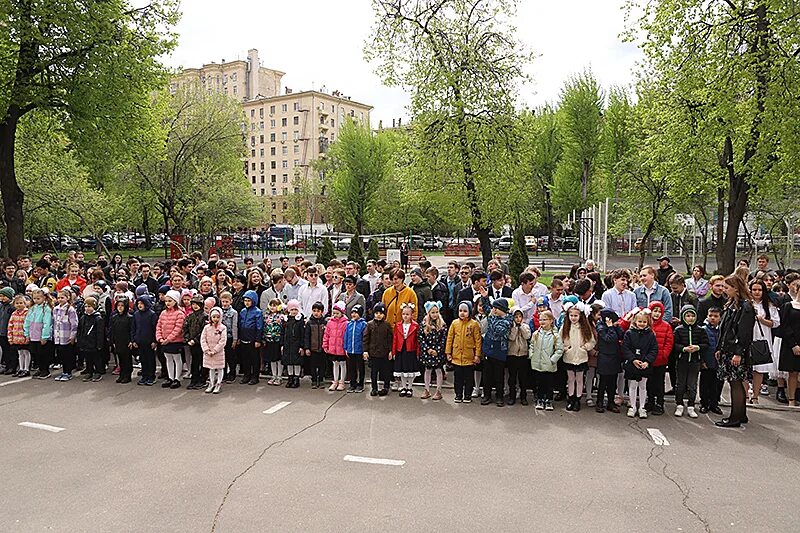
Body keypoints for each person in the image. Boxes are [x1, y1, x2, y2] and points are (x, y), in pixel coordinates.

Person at [715, 275, 755, 427]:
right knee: (734, 382)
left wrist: (738, 352)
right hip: (728, 349)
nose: (724, 290)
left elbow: (744, 333)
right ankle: (741, 414)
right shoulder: (733, 304)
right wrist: (720, 347)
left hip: (736, 351)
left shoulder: (745, 307)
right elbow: (725, 329)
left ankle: (735, 417)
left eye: (727, 287)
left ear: (736, 289)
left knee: (736, 383)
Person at [672, 305, 709, 418]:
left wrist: (697, 347)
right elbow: (674, 345)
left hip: (695, 361)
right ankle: (679, 404)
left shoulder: (700, 330)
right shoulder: (678, 330)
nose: (690, 318)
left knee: (692, 385)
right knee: (680, 384)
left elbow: (706, 344)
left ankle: (691, 406)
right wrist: (683, 349)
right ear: (683, 317)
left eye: (693, 315)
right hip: (682, 361)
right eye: (688, 316)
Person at [560, 302, 596, 411]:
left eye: (576, 315)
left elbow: (591, 341)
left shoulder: (585, 328)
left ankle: (577, 399)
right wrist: (565, 348)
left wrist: (585, 347)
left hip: (581, 357)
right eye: (571, 315)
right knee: (570, 379)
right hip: (569, 356)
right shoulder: (565, 327)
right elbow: (559, 340)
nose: (573, 318)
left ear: (580, 316)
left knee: (579, 379)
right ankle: (570, 398)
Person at [622, 309, 658, 418]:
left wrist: (647, 361)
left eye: (644, 322)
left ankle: (642, 407)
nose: (642, 324)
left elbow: (654, 349)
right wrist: (633, 359)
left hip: (645, 365)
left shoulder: (651, 335)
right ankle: (632, 406)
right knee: (632, 385)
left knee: (643, 386)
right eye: (640, 322)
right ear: (635, 322)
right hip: (632, 364)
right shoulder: (629, 333)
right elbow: (626, 348)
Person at [748, 278, 779, 405]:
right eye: (754, 289)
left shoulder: (769, 305)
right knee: (745, 368)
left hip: (762, 337)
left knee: (759, 369)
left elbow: (775, 323)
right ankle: (745, 395)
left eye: (759, 290)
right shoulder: (746, 303)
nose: (757, 292)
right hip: (748, 337)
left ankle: (755, 395)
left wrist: (762, 320)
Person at [643, 301, 674, 415]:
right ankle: (650, 401)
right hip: (648, 360)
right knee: (649, 382)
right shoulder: (646, 324)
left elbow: (669, 342)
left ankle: (659, 403)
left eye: (659, 311)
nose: (657, 314)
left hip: (660, 360)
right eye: (655, 311)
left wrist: (664, 354)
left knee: (659, 383)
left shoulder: (666, 326)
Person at [529, 310, 562, 410]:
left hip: (549, 365)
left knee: (549, 384)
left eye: (545, 319)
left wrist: (552, 360)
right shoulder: (536, 334)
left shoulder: (555, 335)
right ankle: (539, 399)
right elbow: (531, 345)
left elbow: (559, 350)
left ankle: (548, 400)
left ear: (551, 321)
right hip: (537, 364)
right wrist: (532, 355)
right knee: (539, 383)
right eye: (540, 320)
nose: (542, 322)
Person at [777, 273, 800, 406]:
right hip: (791, 343)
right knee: (792, 372)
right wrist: (794, 344)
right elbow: (785, 326)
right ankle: (791, 400)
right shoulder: (789, 306)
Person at [417, 301, 447, 401]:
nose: (435, 314)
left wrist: (437, 350)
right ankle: (427, 389)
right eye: (432, 312)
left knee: (439, 370)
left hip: (438, 352)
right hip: (427, 352)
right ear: (428, 313)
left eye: (436, 312)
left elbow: (444, 339)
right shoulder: (424, 324)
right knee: (428, 370)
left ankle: (438, 390)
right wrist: (428, 349)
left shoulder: (442, 325)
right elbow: (421, 338)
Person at [595, 309, 623, 413]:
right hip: (605, 357)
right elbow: (609, 339)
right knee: (603, 382)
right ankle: (600, 402)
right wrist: (611, 327)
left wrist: (616, 326)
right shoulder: (601, 327)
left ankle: (611, 402)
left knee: (612, 382)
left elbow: (621, 335)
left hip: (615, 357)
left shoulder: (615, 326)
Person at [157, 290, 186, 389]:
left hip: (175, 341)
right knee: (168, 358)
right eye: (166, 301)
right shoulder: (163, 313)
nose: (167, 303)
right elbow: (159, 326)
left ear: (175, 301)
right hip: (164, 340)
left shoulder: (179, 313)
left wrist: (169, 339)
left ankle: (177, 378)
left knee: (177, 359)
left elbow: (178, 328)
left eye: (170, 301)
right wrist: (159, 338)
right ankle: (170, 377)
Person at [363, 302, 393, 396]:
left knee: (385, 371)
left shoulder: (387, 325)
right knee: (374, 372)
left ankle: (386, 387)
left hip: (384, 353)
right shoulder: (370, 324)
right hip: (373, 353)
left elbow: (390, 339)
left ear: (384, 314)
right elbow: (365, 338)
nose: (378, 315)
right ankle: (374, 388)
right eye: (376, 313)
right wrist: (365, 351)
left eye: (381, 313)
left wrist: (390, 351)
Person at [392, 303, 420, 397]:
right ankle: (404, 387)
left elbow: (417, 340)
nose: (405, 316)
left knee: (410, 370)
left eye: (407, 314)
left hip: (410, 349)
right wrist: (394, 351)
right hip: (401, 349)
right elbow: (395, 339)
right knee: (402, 370)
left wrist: (418, 352)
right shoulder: (398, 325)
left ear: (411, 315)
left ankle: (410, 387)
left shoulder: (415, 326)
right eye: (404, 314)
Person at [25, 288, 53, 379]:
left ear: (44, 298)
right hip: (33, 335)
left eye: (38, 298)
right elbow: (27, 321)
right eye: (34, 298)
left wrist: (44, 336)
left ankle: (45, 370)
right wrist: (27, 334)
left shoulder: (46, 309)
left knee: (43, 354)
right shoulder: (32, 308)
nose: (36, 300)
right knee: (36, 353)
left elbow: (47, 323)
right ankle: (40, 369)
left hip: (41, 335)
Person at [699, 307, 723, 414]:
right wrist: (702, 361)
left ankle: (714, 403)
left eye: (715, 316)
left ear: (720, 318)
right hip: (707, 362)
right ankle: (704, 403)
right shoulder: (703, 330)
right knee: (705, 383)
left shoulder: (722, 330)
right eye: (710, 316)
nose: (712, 318)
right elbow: (702, 347)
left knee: (717, 384)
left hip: (718, 363)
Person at [237, 290, 264, 386]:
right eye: (245, 301)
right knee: (245, 358)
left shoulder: (258, 312)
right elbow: (239, 325)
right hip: (244, 338)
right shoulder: (243, 311)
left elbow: (259, 327)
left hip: (253, 339)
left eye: (249, 300)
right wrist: (239, 338)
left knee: (254, 359)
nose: (247, 303)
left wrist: (258, 340)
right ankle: (246, 375)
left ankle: (255, 376)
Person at [506, 306, 532, 405]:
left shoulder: (525, 326)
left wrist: (520, 327)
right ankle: (512, 396)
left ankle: (523, 396)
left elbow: (527, 336)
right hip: (512, 354)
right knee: (512, 377)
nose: (518, 319)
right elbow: (511, 337)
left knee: (523, 377)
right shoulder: (510, 327)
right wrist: (515, 328)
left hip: (523, 354)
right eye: (516, 317)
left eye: (519, 317)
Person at [132, 294, 158, 386]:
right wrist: (134, 340)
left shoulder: (152, 314)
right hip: (140, 341)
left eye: (142, 303)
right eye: (138, 303)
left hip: (149, 341)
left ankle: (151, 376)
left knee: (150, 359)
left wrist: (154, 341)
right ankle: (144, 375)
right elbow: (134, 328)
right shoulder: (136, 314)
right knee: (143, 359)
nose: (139, 305)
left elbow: (155, 328)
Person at [52, 289, 78, 382]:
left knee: (68, 355)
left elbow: (74, 324)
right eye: (58, 298)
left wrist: (72, 336)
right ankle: (64, 372)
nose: (60, 299)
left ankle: (68, 372)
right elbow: (54, 323)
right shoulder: (56, 309)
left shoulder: (70, 309)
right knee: (61, 355)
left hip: (66, 337)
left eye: (62, 297)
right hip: (58, 337)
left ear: (67, 298)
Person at [323, 301, 348, 391]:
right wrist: (325, 345)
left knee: (342, 364)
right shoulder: (330, 322)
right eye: (334, 313)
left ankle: (342, 381)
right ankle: (335, 380)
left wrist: (346, 348)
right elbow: (326, 334)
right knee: (335, 364)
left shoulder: (346, 323)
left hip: (341, 348)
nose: (335, 315)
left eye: (337, 313)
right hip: (333, 348)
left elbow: (346, 336)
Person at [201, 307, 227, 394]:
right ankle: (211, 383)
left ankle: (218, 383)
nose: (215, 319)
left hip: (218, 352)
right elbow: (203, 339)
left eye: (217, 317)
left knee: (219, 368)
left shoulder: (223, 328)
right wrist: (207, 350)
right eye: (213, 317)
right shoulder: (206, 328)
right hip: (208, 352)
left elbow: (222, 341)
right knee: (211, 368)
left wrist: (215, 350)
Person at [183, 294, 207, 390]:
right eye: (193, 304)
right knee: (194, 362)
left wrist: (195, 340)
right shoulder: (190, 316)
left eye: (197, 304)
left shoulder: (204, 316)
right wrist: (188, 339)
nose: (195, 306)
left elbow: (204, 331)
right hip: (191, 343)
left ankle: (202, 379)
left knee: (202, 361)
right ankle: (194, 379)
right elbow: (185, 328)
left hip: (201, 343)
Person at [281, 299, 305, 389]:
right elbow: (282, 333)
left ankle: (296, 378)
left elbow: (302, 334)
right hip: (287, 344)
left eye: (296, 309)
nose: (294, 311)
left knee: (296, 362)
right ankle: (290, 378)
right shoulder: (286, 320)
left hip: (296, 345)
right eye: (292, 309)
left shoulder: (300, 320)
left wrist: (302, 346)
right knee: (289, 362)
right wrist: (282, 344)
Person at [109, 297, 134, 384]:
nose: (120, 307)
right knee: (120, 359)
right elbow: (112, 330)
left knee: (127, 358)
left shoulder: (129, 317)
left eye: (122, 306)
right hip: (117, 341)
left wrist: (131, 340)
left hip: (126, 341)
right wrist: (112, 341)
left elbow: (132, 330)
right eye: (118, 305)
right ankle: (122, 374)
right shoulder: (114, 317)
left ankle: (127, 375)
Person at [262, 298, 285, 386]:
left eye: (274, 305)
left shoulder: (282, 316)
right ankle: (273, 375)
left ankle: (279, 376)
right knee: (272, 359)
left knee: (278, 358)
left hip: (278, 340)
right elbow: (265, 327)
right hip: (269, 340)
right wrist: (264, 338)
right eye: (271, 305)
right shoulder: (267, 316)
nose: (272, 307)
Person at [304, 301, 327, 389]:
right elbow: (306, 336)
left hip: (322, 348)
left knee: (322, 365)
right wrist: (307, 348)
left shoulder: (324, 322)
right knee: (312, 365)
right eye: (314, 311)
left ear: (322, 312)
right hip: (312, 348)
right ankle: (314, 380)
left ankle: (321, 379)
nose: (316, 313)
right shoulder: (309, 323)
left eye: (318, 311)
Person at [218, 291, 239, 384]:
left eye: (227, 301)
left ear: (231, 301)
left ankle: (232, 373)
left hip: (230, 336)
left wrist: (235, 339)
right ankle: (224, 374)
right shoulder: (219, 311)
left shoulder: (234, 312)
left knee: (231, 357)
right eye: (223, 302)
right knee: (223, 357)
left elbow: (235, 326)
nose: (225, 304)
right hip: (220, 337)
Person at [9, 294, 30, 377]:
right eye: (17, 303)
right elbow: (10, 326)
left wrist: (27, 336)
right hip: (16, 338)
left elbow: (29, 325)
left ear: (25, 303)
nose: (19, 305)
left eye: (21, 303)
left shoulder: (27, 313)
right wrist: (10, 337)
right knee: (20, 353)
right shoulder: (14, 314)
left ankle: (26, 369)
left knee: (26, 352)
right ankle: (21, 368)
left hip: (24, 337)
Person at [0, 287, 15, 375]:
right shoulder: (1, 306)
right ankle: (6, 365)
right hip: (2, 332)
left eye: (4, 296)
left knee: (10, 351)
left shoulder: (11, 307)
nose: (2, 298)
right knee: (4, 350)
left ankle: (12, 366)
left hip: (8, 332)